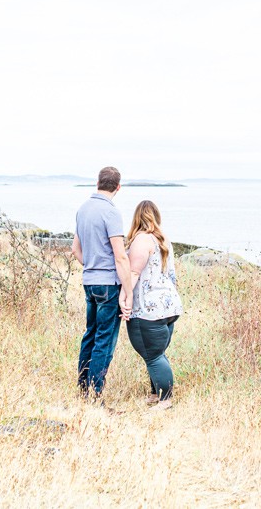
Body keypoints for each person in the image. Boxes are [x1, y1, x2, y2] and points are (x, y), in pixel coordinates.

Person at [71, 166, 133, 401]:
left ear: (97, 182)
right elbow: (120, 255)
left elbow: (75, 249)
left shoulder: (83, 209)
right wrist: (128, 292)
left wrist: (91, 267)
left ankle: (83, 388)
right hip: (108, 284)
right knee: (104, 339)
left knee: (90, 333)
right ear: (118, 187)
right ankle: (95, 394)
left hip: (89, 282)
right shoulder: (111, 212)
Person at [124, 200, 183, 410]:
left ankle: (165, 399)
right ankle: (155, 394)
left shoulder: (141, 240)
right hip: (169, 306)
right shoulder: (163, 239)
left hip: (149, 308)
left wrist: (124, 298)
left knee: (154, 355)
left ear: (136, 217)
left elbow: (133, 273)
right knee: (156, 352)